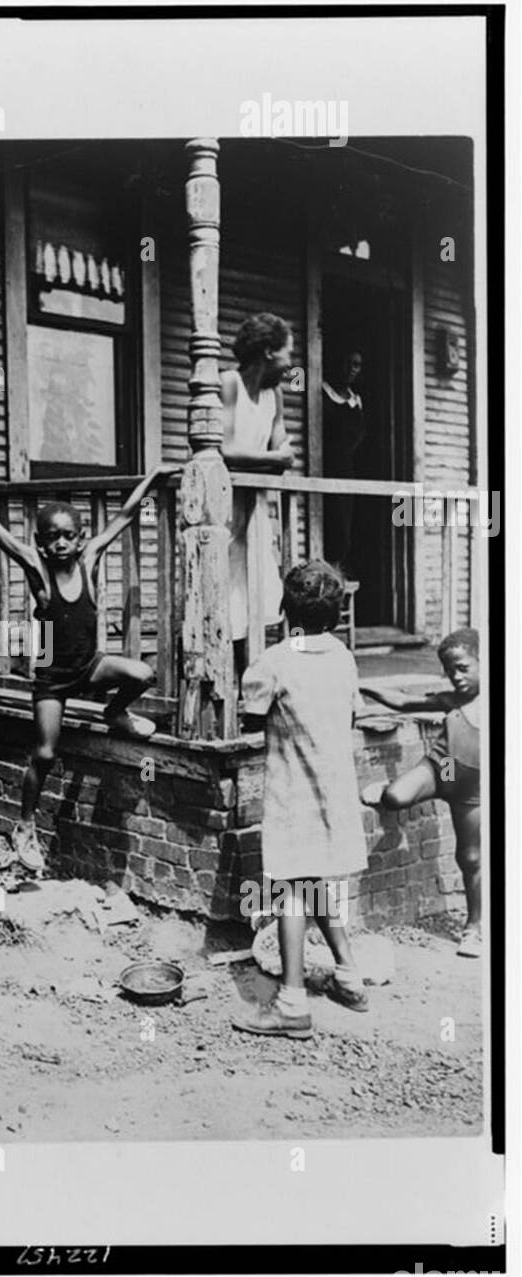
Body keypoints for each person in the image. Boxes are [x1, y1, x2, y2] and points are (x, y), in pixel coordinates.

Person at [0, 465, 171, 872]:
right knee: (46, 751)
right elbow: (0, 536)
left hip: (90, 667)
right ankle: (25, 825)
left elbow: (124, 517)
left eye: (69, 536)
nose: (61, 544)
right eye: (52, 538)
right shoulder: (39, 571)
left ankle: (115, 712)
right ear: (41, 543)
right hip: (52, 679)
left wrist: (152, 476)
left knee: (143, 674)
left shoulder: (90, 559)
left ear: (80, 537)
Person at [231, 560, 369, 1040]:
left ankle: (291, 1003)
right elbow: (351, 715)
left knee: (293, 888)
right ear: (335, 614)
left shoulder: (273, 661)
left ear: (284, 608)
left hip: (295, 792)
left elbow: (251, 719)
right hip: (335, 792)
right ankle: (349, 977)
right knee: (317, 884)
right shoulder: (344, 656)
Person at [360, 628, 481, 958]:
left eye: (462, 667)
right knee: (396, 797)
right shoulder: (453, 700)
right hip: (445, 769)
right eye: (449, 670)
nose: (455, 677)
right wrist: (360, 683)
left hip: (473, 792)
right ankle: (386, 790)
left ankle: (474, 927)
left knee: (470, 858)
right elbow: (401, 701)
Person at [220, 313, 296, 674]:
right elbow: (226, 450)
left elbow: (284, 450)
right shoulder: (230, 384)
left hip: (256, 505)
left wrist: (273, 458)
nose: (291, 363)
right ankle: (227, 679)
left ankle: (252, 682)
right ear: (268, 352)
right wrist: (272, 458)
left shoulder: (274, 394)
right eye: (287, 353)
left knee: (258, 591)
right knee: (225, 590)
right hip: (223, 506)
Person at [322, 345, 366, 571]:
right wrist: (295, 374)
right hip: (327, 467)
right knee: (332, 523)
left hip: (347, 468)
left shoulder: (356, 400)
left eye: (357, 365)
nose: (351, 369)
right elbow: (295, 383)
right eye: (347, 363)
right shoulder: (323, 391)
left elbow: (359, 436)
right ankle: (328, 570)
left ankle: (338, 570)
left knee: (346, 526)